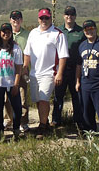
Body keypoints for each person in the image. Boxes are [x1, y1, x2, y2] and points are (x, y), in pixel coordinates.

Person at [23, 8, 69, 139]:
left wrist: (59, 73)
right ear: (38, 19)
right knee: (37, 100)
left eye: (46, 18)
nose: (44, 20)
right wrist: (25, 66)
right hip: (34, 73)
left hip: (49, 72)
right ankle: (45, 122)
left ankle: (42, 127)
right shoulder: (33, 33)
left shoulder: (58, 34)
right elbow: (27, 52)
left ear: (51, 19)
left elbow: (63, 56)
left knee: (43, 99)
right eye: (41, 18)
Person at [52, 6, 85, 129]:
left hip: (75, 69)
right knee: (58, 96)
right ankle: (56, 120)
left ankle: (78, 121)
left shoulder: (81, 32)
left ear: (75, 16)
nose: (69, 16)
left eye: (72, 14)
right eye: (67, 14)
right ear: (63, 16)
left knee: (76, 96)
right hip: (61, 69)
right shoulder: (58, 31)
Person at [0, 23, 24, 140]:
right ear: (0, 33)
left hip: (11, 83)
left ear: (11, 34)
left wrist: (16, 84)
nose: (6, 34)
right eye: (4, 31)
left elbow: (19, 69)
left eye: (8, 32)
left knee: (17, 108)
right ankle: (0, 131)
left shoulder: (16, 48)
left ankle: (16, 130)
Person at [3, 10, 30, 133]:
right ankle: (8, 120)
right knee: (7, 97)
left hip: (22, 69)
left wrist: (24, 68)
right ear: (10, 20)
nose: (16, 20)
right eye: (13, 18)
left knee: (22, 96)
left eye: (18, 18)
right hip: (8, 71)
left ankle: (23, 122)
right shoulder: (5, 34)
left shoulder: (27, 34)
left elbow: (28, 52)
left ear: (22, 20)